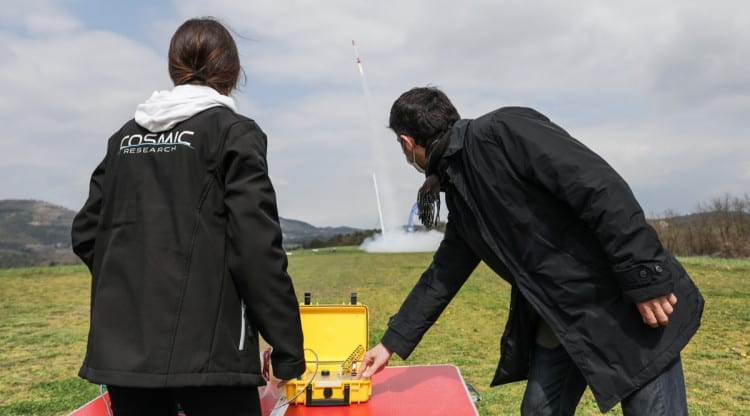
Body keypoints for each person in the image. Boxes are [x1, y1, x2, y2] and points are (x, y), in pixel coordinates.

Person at [358, 86, 704, 415]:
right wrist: (391, 343)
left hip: (624, 303)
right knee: (539, 410)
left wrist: (644, 275)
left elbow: (600, 187)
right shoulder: (461, 197)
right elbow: (442, 276)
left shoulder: (503, 131)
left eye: (401, 148)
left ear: (407, 143)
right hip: (560, 317)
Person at [71, 18, 304, 416]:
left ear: (174, 68)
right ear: (231, 73)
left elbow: (87, 232)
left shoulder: (123, 139)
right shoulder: (233, 133)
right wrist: (288, 351)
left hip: (127, 355)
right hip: (212, 359)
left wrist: (137, 291)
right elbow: (256, 249)